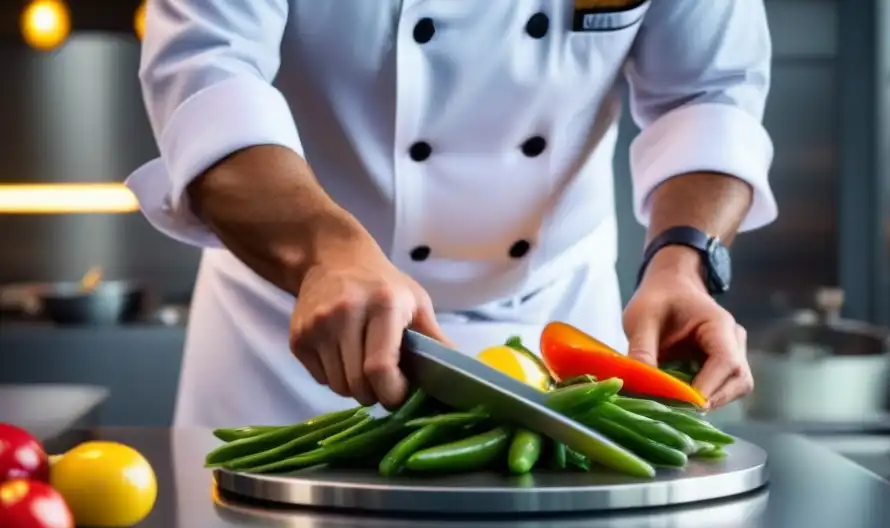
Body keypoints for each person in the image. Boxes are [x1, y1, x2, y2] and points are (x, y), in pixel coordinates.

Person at [128, 0, 777, 427]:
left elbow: (708, 93)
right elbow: (209, 78)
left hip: (558, 335)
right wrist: (325, 252)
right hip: (295, 329)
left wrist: (684, 263)